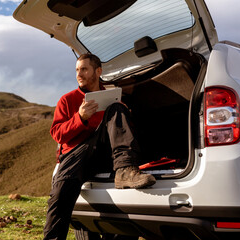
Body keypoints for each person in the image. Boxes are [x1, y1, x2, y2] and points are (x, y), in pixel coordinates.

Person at [43, 53, 156, 240]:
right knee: (59, 196)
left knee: (117, 108)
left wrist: (124, 115)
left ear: (98, 71)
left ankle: (125, 171)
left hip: (105, 156)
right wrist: (80, 118)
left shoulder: (113, 99)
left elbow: (126, 136)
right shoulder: (67, 100)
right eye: (77, 70)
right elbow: (57, 134)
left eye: (84, 69)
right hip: (76, 155)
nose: (79, 74)